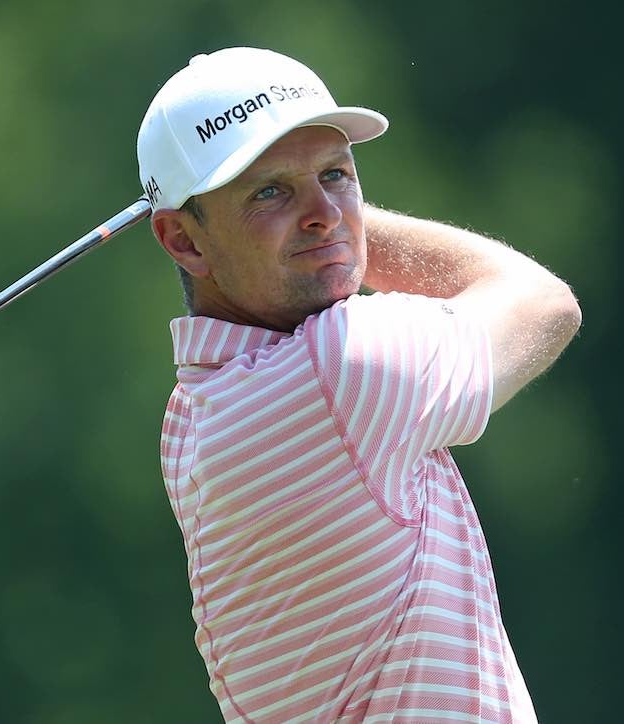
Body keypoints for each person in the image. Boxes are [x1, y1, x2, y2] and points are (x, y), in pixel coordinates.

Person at [137, 47, 581, 723]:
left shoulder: (189, 421)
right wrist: (348, 230)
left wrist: (317, 225)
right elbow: (542, 301)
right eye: (270, 191)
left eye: (336, 174)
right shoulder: (344, 370)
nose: (325, 211)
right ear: (184, 240)